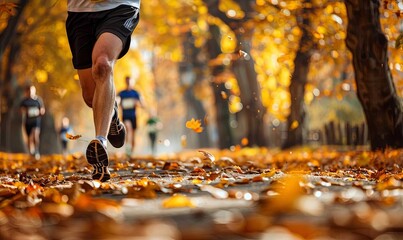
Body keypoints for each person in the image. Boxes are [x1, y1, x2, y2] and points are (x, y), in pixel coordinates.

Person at [66, 0, 141, 181]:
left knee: (102, 64)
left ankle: (101, 141)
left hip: (120, 7)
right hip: (79, 11)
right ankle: (112, 117)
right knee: (91, 97)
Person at [117, 76, 144, 157]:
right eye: (127, 81)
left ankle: (131, 153)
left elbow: (143, 104)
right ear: (125, 82)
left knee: (133, 135)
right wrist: (119, 103)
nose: (128, 83)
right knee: (128, 129)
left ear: (133, 82)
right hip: (125, 116)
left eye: (130, 81)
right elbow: (116, 102)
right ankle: (127, 149)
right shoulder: (121, 93)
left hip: (134, 116)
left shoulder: (136, 93)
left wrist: (137, 103)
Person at [20, 85, 45, 160]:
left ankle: (36, 151)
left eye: (32, 90)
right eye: (29, 91)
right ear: (27, 92)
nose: (31, 92)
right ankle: (30, 152)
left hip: (36, 121)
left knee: (35, 135)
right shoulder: (24, 101)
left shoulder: (38, 100)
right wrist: (25, 110)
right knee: (29, 138)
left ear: (35, 91)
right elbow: (20, 110)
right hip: (27, 122)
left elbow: (43, 110)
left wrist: (39, 111)